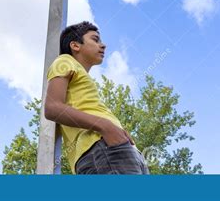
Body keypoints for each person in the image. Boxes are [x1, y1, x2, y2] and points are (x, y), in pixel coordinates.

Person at [44, 21, 150, 175]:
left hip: (120, 149)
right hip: (101, 147)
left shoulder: (82, 77)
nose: (103, 45)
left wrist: (119, 132)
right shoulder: (65, 61)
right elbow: (52, 107)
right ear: (75, 45)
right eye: (95, 39)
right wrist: (106, 127)